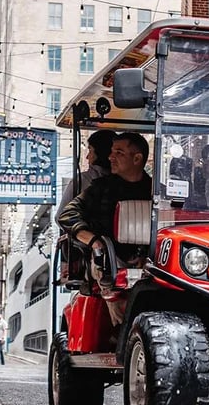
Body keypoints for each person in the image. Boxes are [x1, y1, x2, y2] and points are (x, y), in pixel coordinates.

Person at [56, 132, 153, 324]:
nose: (111, 158)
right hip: (107, 258)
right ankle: (124, 332)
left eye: (119, 152)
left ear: (137, 158)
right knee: (113, 283)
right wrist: (93, 241)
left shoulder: (156, 190)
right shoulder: (99, 189)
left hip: (150, 260)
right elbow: (66, 215)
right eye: (111, 152)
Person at [57, 129, 116, 216]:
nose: (87, 157)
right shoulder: (124, 180)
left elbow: (61, 216)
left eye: (90, 150)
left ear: (100, 152)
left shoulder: (82, 180)